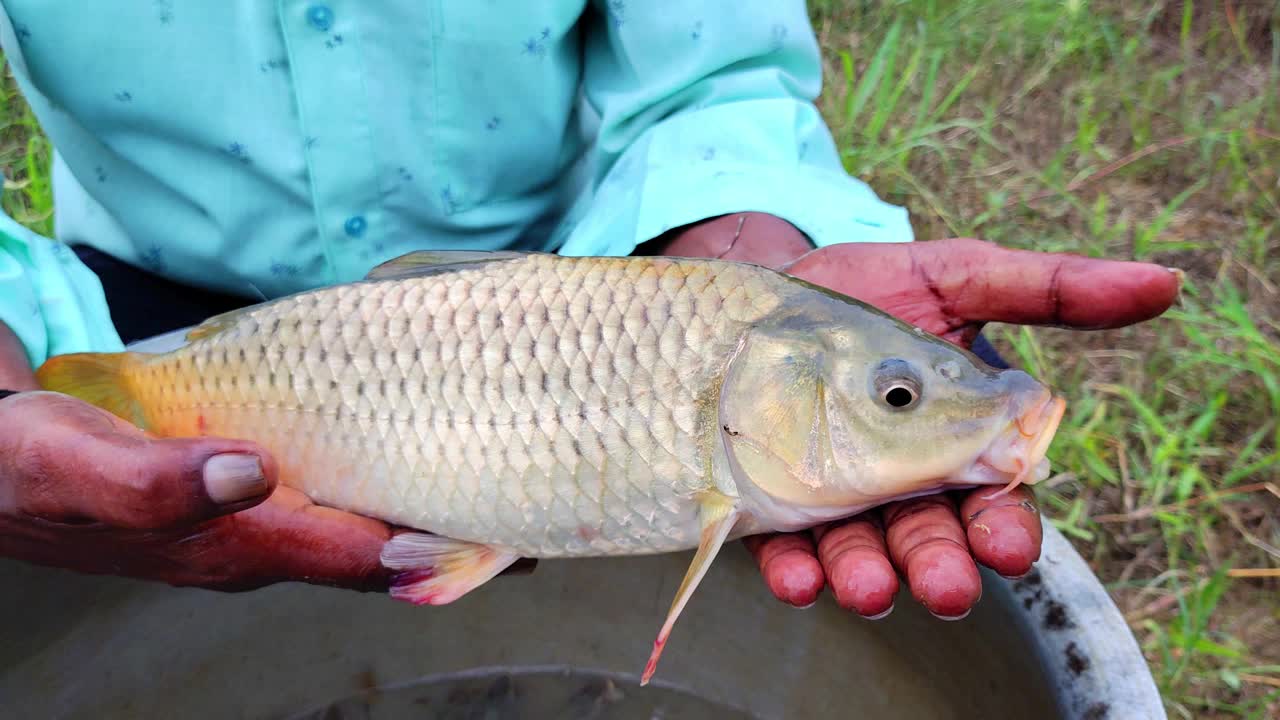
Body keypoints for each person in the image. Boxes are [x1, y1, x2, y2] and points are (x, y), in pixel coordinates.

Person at [0, 3, 1178, 621]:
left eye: (895, 390)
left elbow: (709, 70)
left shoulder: (727, 339)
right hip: (129, 307)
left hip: (590, 269)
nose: (926, 402)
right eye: (898, 392)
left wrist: (733, 231)